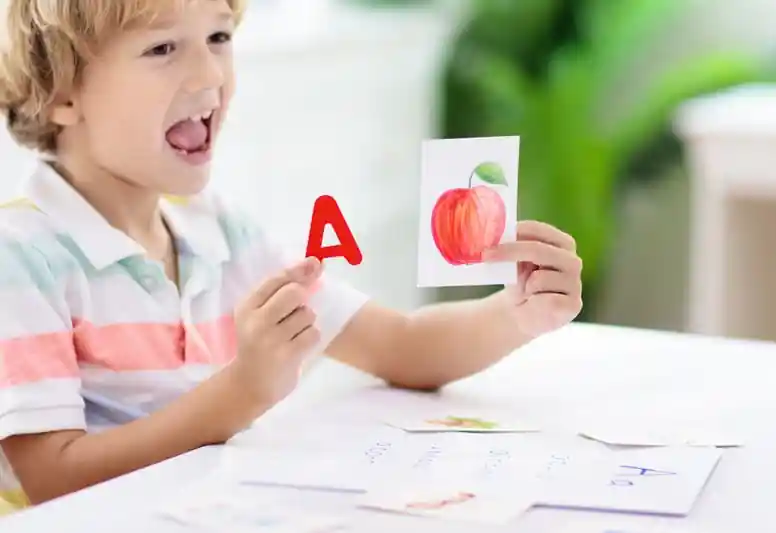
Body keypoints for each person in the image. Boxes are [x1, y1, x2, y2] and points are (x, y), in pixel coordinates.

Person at [0, 0, 582, 510]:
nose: (210, 74)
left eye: (219, 37)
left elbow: (403, 346)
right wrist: (243, 391)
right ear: (63, 93)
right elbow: (54, 477)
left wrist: (518, 312)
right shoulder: (21, 256)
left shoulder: (222, 234)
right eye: (162, 48)